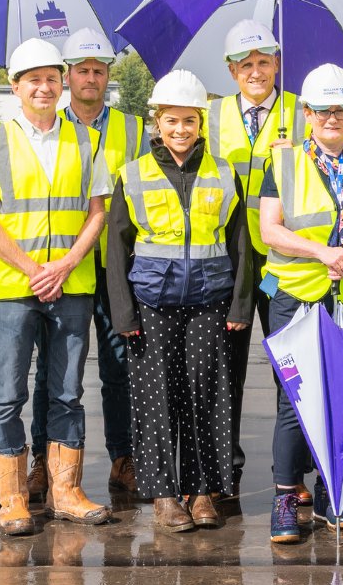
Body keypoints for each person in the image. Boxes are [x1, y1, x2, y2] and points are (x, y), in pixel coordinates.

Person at [0, 38, 111, 535]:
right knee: (8, 393)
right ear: (16, 86)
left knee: (68, 392)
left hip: (71, 284)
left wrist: (66, 265)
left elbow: (97, 213)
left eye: (52, 78)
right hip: (14, 287)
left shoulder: (87, 140)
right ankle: (12, 497)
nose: (44, 87)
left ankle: (64, 491)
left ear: (62, 82)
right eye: (34, 80)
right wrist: (34, 269)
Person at [107, 70, 252, 533]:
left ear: (200, 122)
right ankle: (165, 495)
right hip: (151, 301)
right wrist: (123, 313)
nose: (180, 130)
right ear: (157, 121)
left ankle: (203, 490)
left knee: (207, 395)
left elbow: (241, 242)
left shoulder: (224, 172)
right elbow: (116, 247)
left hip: (210, 299)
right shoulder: (133, 175)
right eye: (171, 120)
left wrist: (240, 305)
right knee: (156, 400)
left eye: (189, 121)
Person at [259, 64, 343, 544]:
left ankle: (336, 489)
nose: (333, 117)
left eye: (342, 109)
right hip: (297, 294)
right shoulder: (284, 161)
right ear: (306, 113)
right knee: (299, 401)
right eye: (323, 109)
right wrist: (323, 253)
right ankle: (287, 497)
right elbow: (271, 230)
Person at [26, 28, 147, 503]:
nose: (90, 78)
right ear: (67, 76)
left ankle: (123, 458)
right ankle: (44, 460)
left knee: (120, 366)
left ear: (107, 76)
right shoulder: (46, 127)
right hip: (64, 267)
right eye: (82, 70)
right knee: (53, 372)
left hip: (118, 267)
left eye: (99, 70)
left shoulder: (134, 129)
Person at [205, 19, 303, 498]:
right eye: (247, 64)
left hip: (285, 260)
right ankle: (227, 468)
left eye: (265, 62)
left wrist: (295, 157)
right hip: (230, 260)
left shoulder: (301, 114)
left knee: (292, 365)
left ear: (277, 63)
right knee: (227, 369)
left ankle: (296, 472)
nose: (257, 72)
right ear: (231, 70)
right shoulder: (213, 115)